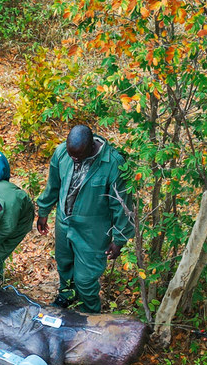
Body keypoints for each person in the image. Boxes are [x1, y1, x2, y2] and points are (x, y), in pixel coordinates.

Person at [35, 125, 135, 312]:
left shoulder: (112, 163)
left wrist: (119, 239)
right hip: (64, 222)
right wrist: (44, 211)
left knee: (85, 279)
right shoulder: (62, 153)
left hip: (93, 230)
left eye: (78, 156)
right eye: (71, 154)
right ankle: (66, 296)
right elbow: (53, 185)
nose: (74, 159)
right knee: (64, 263)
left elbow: (122, 205)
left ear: (91, 146)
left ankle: (90, 313)